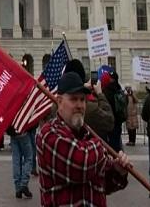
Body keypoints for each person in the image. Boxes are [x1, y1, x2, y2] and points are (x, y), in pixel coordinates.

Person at [36, 71, 129, 206]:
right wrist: (100, 146)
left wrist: (117, 170)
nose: (80, 105)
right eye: (73, 99)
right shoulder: (49, 134)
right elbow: (82, 165)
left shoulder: (87, 136)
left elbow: (104, 185)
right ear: (60, 101)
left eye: (82, 99)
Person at [7, 123, 33, 198]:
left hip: (13, 133)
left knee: (16, 160)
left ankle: (18, 188)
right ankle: (24, 184)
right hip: (23, 132)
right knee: (28, 158)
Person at [101, 71, 125, 152]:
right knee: (117, 144)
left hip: (110, 123)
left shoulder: (106, 92)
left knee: (111, 147)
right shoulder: (119, 89)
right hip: (118, 121)